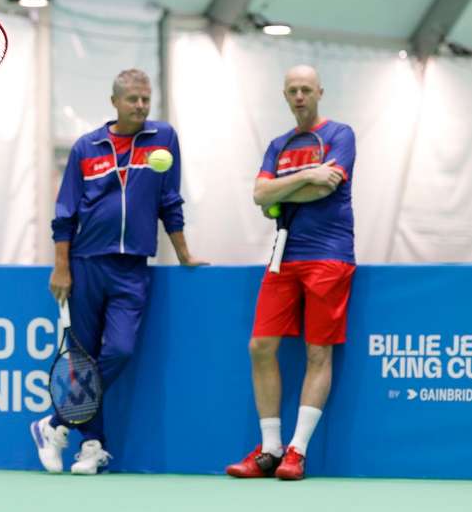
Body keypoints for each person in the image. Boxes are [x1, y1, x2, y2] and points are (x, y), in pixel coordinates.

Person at [30, 69, 206, 475]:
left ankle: (53, 424)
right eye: (133, 100)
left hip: (132, 268)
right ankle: (92, 446)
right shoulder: (86, 147)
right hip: (86, 263)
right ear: (115, 102)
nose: (141, 106)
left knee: (120, 350)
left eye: (146, 99)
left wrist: (183, 253)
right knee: (83, 358)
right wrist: (61, 267)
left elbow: (170, 202)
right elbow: (64, 213)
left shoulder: (164, 140)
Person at [226, 65, 356, 481]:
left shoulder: (340, 135)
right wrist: (305, 176)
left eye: (306, 89)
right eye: (293, 90)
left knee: (319, 352)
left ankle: (296, 452)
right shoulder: (278, 145)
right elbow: (258, 194)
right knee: (260, 347)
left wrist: (283, 188)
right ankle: (269, 449)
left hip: (329, 255)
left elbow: (327, 186)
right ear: (285, 95)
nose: (300, 96)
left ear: (320, 91)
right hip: (283, 256)